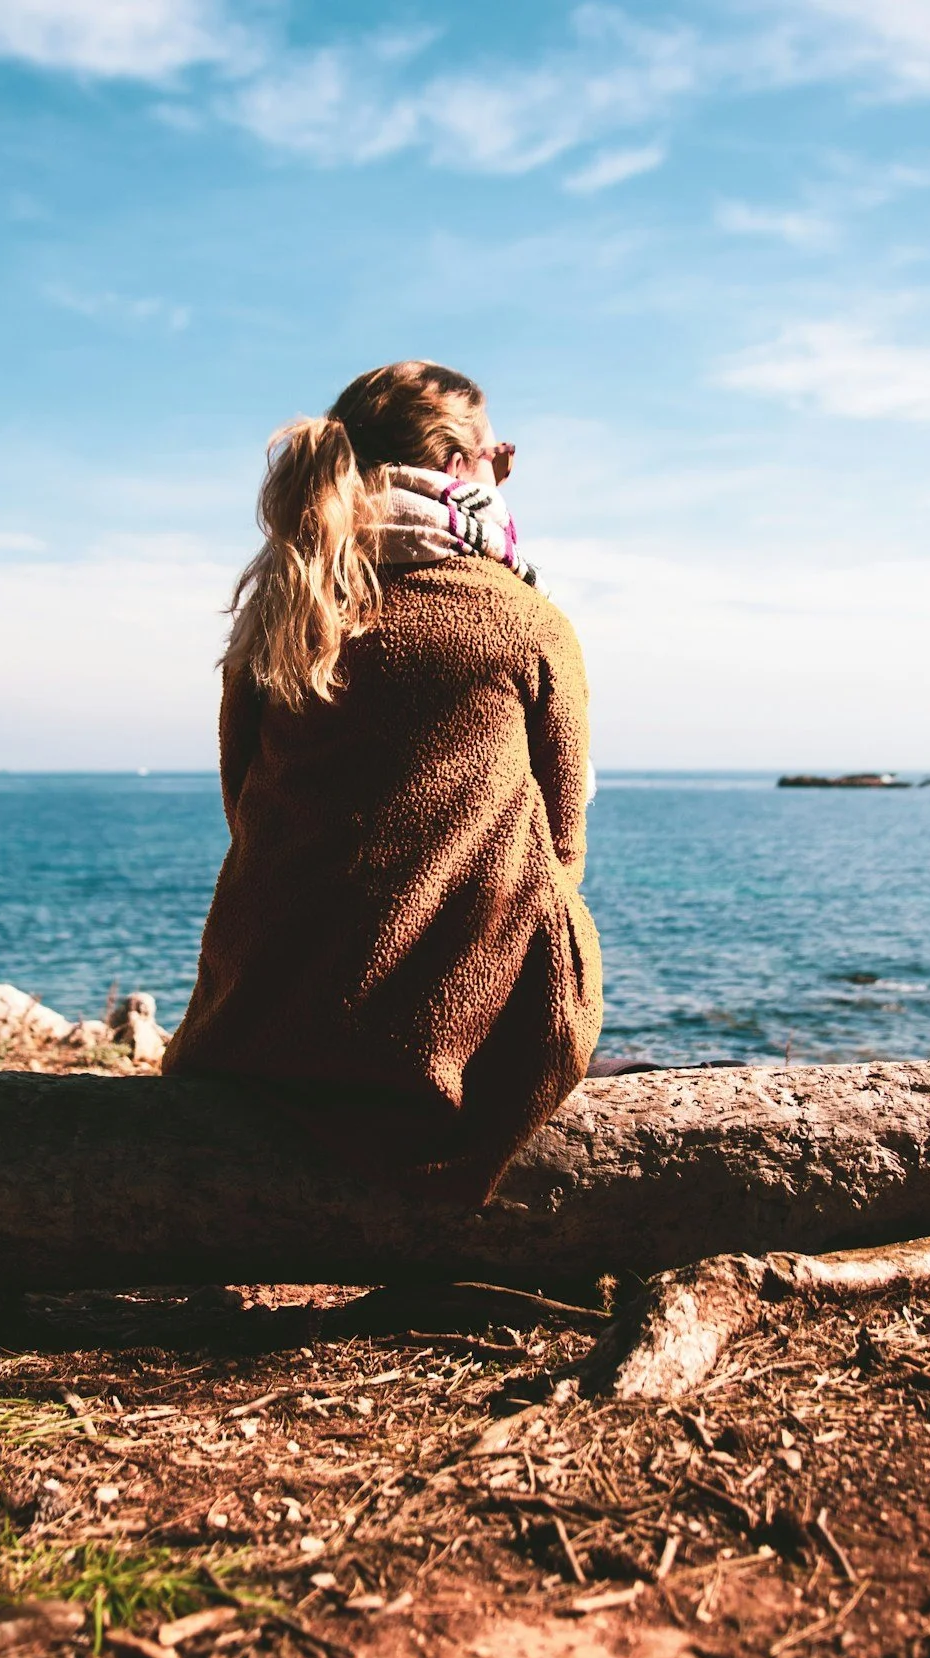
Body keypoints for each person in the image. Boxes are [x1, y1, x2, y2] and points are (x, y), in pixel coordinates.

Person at [162, 361, 601, 1206]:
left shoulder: (288, 613)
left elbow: (242, 803)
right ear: (461, 467)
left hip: (262, 1020)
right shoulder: (526, 621)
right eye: (496, 455)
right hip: (449, 1054)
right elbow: (565, 840)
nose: (506, 470)